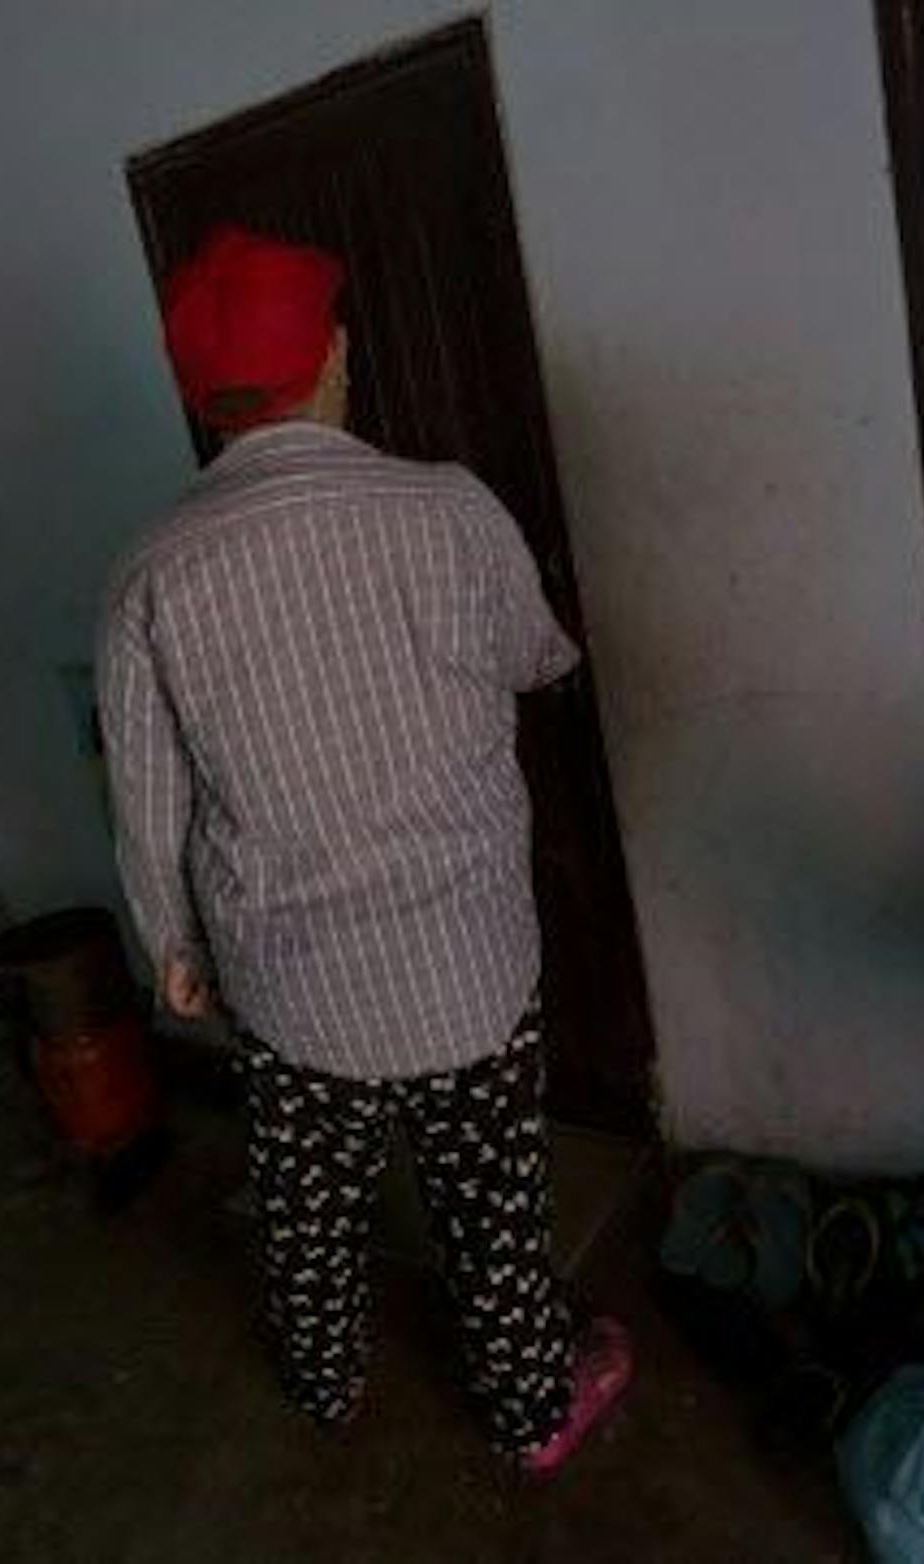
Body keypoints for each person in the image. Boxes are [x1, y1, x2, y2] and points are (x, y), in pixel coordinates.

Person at [99, 226, 630, 1473]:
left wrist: (171, 944)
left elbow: (144, 799)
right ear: (333, 356)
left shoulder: (149, 573)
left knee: (305, 1216)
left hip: (287, 990)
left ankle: (325, 1385)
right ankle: (532, 1415)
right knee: (493, 1219)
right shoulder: (449, 509)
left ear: (199, 399)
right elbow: (541, 659)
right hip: (468, 971)